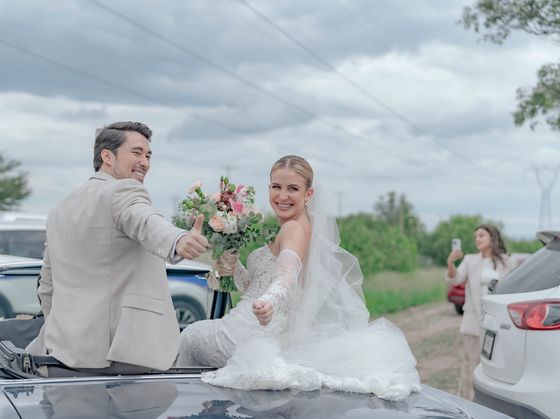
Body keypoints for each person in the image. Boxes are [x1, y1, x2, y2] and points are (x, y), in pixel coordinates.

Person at [178, 155, 420, 401]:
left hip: (250, 332)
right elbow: (254, 287)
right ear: (269, 188)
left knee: (189, 335)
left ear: (308, 194)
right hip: (261, 331)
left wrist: (270, 301)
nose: (282, 196)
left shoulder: (294, 228)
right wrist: (230, 261)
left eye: (292, 189)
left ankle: (181, 403)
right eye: (276, 187)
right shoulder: (296, 227)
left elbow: (287, 274)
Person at [27, 121, 208, 375]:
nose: (144, 162)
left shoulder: (59, 210)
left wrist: (62, 327)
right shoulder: (123, 190)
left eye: (148, 155)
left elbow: (47, 285)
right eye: (136, 153)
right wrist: (178, 240)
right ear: (107, 156)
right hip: (121, 355)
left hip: (63, 352)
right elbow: (145, 220)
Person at [446, 224, 517, 399]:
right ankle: (469, 401)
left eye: (481, 236)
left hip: (499, 322)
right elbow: (455, 280)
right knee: (472, 364)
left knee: (497, 366)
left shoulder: (508, 261)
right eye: (476, 236)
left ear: (492, 238)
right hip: (473, 321)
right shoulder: (470, 260)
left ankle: (494, 402)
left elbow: (515, 289)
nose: (477, 239)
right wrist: (450, 263)